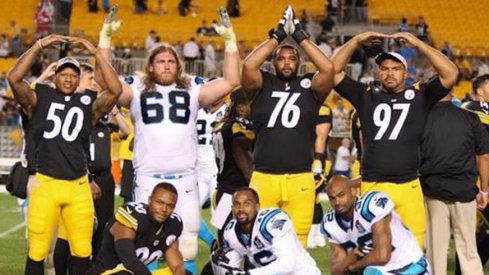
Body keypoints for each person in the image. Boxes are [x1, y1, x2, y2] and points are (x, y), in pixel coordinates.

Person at [94, 8, 240, 274]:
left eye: (171, 61)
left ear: (178, 65)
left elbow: (231, 80)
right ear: (150, 65)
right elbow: (104, 80)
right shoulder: (136, 88)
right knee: (145, 244)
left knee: (187, 244)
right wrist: (104, 41)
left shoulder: (193, 89)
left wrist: (230, 42)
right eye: (160, 61)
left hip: (185, 178)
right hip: (149, 177)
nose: (166, 65)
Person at [7, 34, 122, 275]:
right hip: (46, 183)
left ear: (79, 79)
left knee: (81, 250)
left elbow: (115, 88)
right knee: (37, 250)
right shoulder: (39, 99)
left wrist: (95, 51)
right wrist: (39, 45)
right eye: (63, 74)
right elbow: (14, 77)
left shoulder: (88, 105)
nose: (68, 78)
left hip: (78, 185)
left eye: (73, 75)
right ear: (54, 76)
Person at [331, 31, 459, 247]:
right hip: (373, 184)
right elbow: (332, 72)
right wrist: (354, 41)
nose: (390, 73)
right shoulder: (365, 95)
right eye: (385, 69)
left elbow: (450, 73)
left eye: (396, 69)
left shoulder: (419, 96)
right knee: (372, 249)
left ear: (405, 72)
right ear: (378, 73)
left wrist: (418, 44)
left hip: (408, 184)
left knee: (414, 249)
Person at [241, 5, 334, 245]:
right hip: (264, 176)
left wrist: (301, 37)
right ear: (272, 63)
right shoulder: (262, 84)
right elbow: (248, 67)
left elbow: (328, 68)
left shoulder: (310, 86)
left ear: (300, 63)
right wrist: (278, 37)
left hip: (300, 178)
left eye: (292, 59)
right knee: (259, 242)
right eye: (280, 59)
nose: (286, 63)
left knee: (298, 246)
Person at [53, 63, 131, 274]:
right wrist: (88, 178)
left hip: (104, 179)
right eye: (91, 80)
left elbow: (125, 130)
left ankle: (95, 269)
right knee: (69, 232)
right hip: (78, 178)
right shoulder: (72, 115)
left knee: (103, 228)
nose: (95, 84)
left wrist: (112, 107)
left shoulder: (103, 120)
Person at [420, 93, 489, 275]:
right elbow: (484, 156)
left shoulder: (422, 118)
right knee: (469, 250)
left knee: (435, 253)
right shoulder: (470, 117)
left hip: (433, 190)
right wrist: (484, 190)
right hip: (464, 190)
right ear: (451, 93)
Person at [322, 176, 430, 274]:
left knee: (370, 272)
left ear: (353, 191)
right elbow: (336, 271)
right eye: (332, 198)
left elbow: (382, 257)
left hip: (412, 267)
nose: (337, 202)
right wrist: (352, 256)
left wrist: (353, 267)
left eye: (341, 195)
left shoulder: (369, 207)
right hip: (384, 271)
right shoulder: (331, 223)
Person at [212, 187, 321, 274]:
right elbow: (231, 263)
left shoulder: (271, 221)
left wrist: (249, 274)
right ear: (232, 208)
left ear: (257, 207)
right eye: (237, 204)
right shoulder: (230, 232)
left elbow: (288, 263)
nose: (241, 209)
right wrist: (222, 266)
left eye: (247, 204)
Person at [89, 182, 186, 275]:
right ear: (150, 200)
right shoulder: (132, 217)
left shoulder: (173, 224)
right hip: (108, 272)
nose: (164, 209)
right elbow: (130, 261)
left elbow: (177, 265)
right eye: (160, 203)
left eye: (170, 206)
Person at [307, 103, 333, 248]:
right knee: (311, 197)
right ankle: (314, 232)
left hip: (318, 160)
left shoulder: (322, 108)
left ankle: (314, 232)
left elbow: (321, 136)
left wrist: (317, 160)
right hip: (302, 157)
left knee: (313, 196)